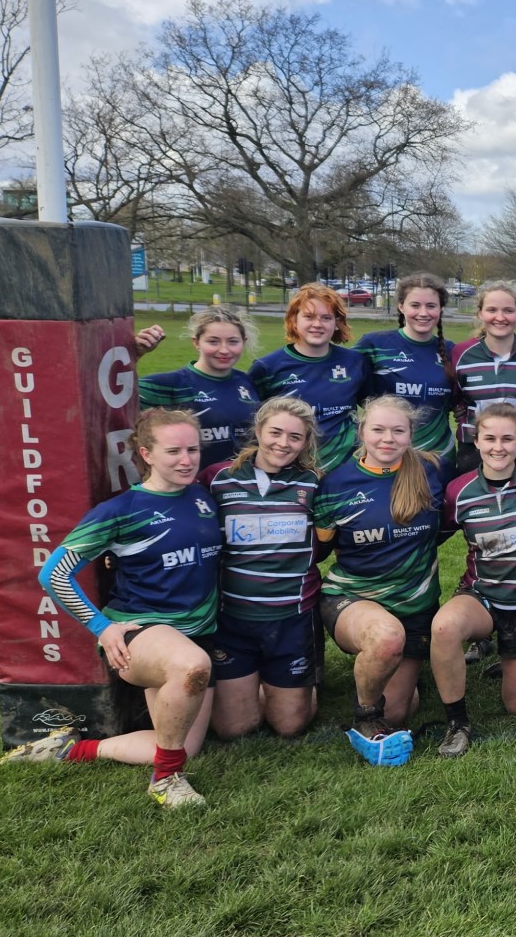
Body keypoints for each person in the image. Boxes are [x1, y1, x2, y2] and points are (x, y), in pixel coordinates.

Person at [5, 409, 222, 808]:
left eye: (193, 449)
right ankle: (165, 781)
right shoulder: (119, 511)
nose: (186, 459)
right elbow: (54, 574)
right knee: (192, 666)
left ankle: (71, 749)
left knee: (180, 744)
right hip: (141, 633)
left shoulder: (202, 496)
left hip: (195, 634)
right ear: (146, 454)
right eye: (173, 450)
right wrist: (102, 627)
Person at [314, 395, 447, 766]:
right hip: (352, 598)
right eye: (378, 429)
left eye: (397, 430)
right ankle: (366, 716)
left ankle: (392, 680)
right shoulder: (337, 483)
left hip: (416, 606)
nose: (387, 438)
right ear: (362, 432)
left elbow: (447, 526)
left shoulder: (431, 471)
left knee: (401, 712)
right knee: (386, 639)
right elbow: (319, 551)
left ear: (410, 434)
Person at [431, 403, 516, 757]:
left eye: (506, 439)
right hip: (481, 595)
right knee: (445, 627)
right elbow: (431, 536)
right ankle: (457, 722)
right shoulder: (459, 491)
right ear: (476, 440)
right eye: (489, 438)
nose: (497, 447)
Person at [202, 397, 324, 741]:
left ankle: (300, 687)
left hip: (292, 616)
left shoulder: (314, 483)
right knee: (233, 729)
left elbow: (331, 537)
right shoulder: (217, 479)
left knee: (290, 726)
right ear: (258, 431)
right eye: (275, 432)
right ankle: (255, 685)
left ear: (305, 443)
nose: (283, 444)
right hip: (233, 617)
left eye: (295, 437)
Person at [249, 283, 370, 472]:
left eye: (326, 318)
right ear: (294, 320)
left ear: (337, 323)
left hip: (345, 471)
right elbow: (253, 423)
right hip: (292, 474)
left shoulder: (355, 362)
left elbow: (373, 411)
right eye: (309, 317)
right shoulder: (267, 367)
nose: (317, 324)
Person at [135, 304, 261, 468]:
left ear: (244, 342)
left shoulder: (248, 382)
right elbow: (111, 398)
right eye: (213, 341)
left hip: (243, 486)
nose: (224, 350)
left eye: (232, 342)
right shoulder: (169, 384)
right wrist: (134, 355)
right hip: (194, 486)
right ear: (196, 342)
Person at [355, 273, 458, 471]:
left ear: (441, 309)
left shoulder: (453, 352)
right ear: (401, 306)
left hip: (438, 456)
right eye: (415, 305)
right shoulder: (374, 345)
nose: (423, 313)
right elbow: (341, 382)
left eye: (431, 306)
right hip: (386, 454)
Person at [450, 281, 516, 475]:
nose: (500, 317)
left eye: (508, 310)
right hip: (475, 447)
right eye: (492, 310)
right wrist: (461, 414)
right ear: (480, 313)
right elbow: (453, 396)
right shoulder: (461, 353)